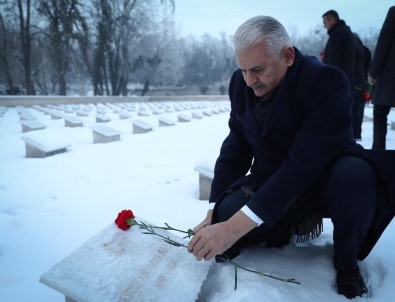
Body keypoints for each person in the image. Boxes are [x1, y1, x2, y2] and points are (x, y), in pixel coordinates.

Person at [187, 16, 395, 299]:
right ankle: (278, 227)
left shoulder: (327, 82)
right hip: (272, 176)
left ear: (287, 55)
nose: (249, 81)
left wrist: (234, 228)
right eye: (243, 70)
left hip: (328, 177)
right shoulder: (241, 83)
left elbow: (304, 164)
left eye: (257, 69)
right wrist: (215, 211)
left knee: (356, 178)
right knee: (225, 212)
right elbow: (236, 146)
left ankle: (347, 264)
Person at [368, 6, 395, 149]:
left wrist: (374, 72)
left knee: (380, 113)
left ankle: (379, 152)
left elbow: (384, 41)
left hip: (390, 76)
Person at [322, 10, 355, 92]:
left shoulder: (336, 34)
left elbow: (333, 60)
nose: (324, 26)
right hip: (347, 80)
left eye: (325, 22)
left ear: (332, 19)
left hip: (337, 83)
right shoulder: (347, 33)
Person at [352, 33, 371, 140]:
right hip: (362, 83)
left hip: (352, 82)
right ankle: (357, 133)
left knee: (351, 108)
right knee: (359, 109)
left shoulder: (350, 50)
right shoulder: (365, 50)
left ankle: (352, 133)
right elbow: (368, 66)